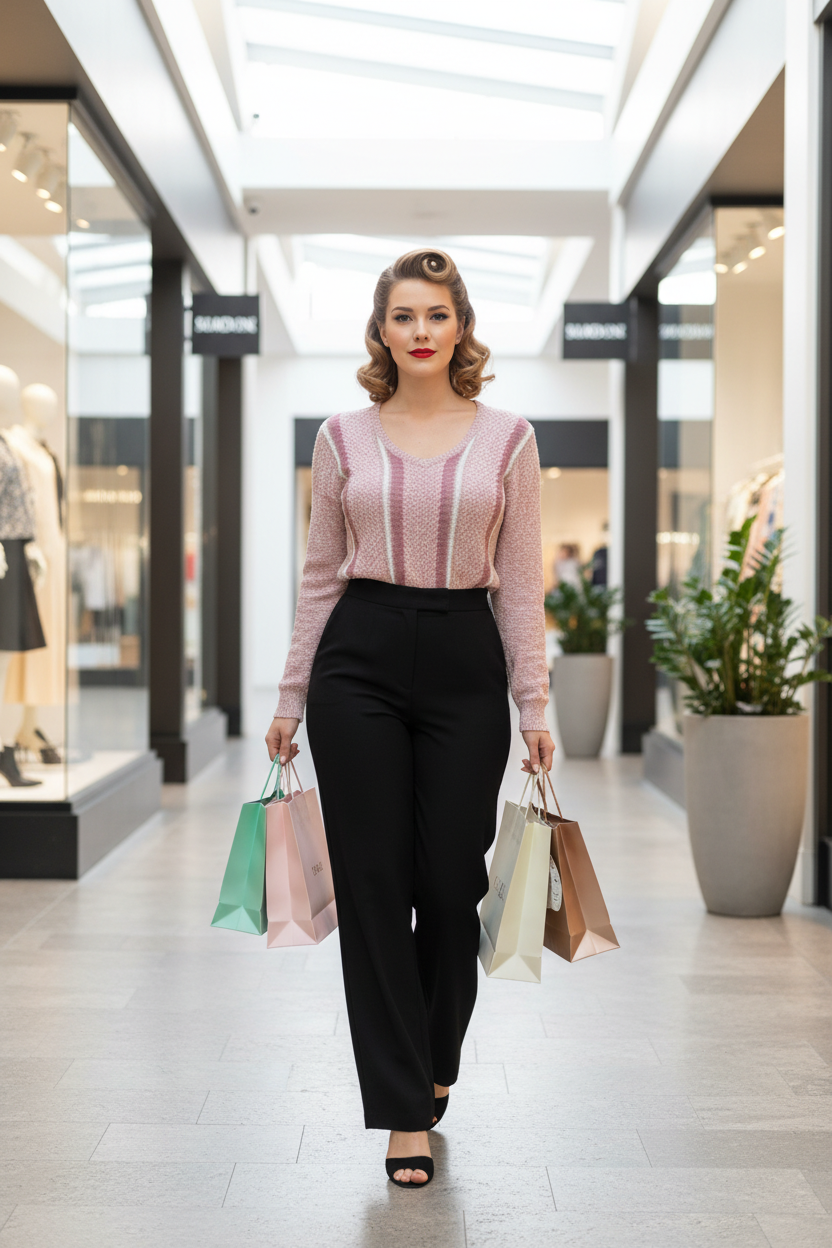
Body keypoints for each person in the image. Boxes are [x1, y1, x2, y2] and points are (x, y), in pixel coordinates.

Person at [266, 249, 554, 1189]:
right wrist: (292, 693)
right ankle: (401, 1109)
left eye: (436, 315)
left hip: (466, 661)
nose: (421, 332)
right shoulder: (341, 437)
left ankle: (434, 1056)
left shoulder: (508, 437)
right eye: (403, 317)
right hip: (361, 659)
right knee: (376, 883)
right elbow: (319, 574)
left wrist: (534, 701)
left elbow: (519, 585)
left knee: (449, 875)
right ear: (381, 332)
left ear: (461, 326)